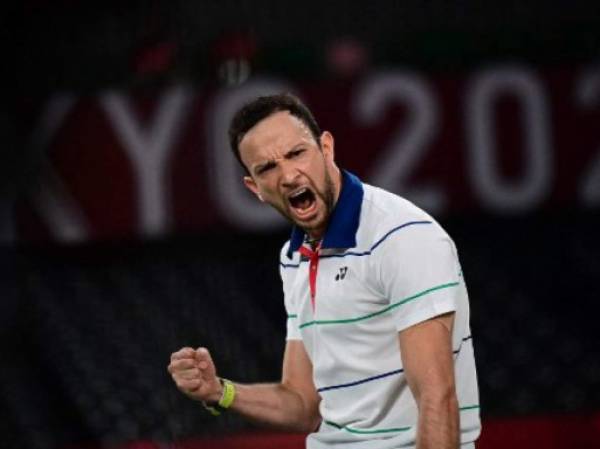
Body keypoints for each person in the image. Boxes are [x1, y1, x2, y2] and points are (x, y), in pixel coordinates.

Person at [168, 93, 481, 449]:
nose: (287, 175)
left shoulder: (401, 237)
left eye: (296, 153)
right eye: (267, 168)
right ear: (255, 188)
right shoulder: (294, 256)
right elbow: (303, 404)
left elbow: (436, 398)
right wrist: (219, 391)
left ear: (326, 148)